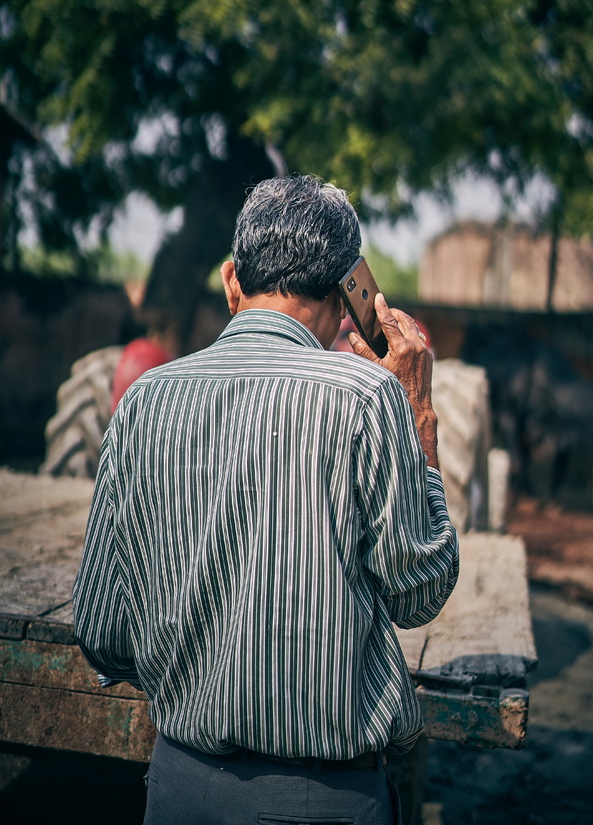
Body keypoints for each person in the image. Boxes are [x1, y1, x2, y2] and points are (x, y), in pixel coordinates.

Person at [73, 175, 459, 825]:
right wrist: (419, 417)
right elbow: (419, 595)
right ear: (346, 294)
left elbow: (102, 633)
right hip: (322, 800)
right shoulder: (368, 399)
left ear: (232, 281)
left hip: (177, 789)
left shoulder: (143, 402)